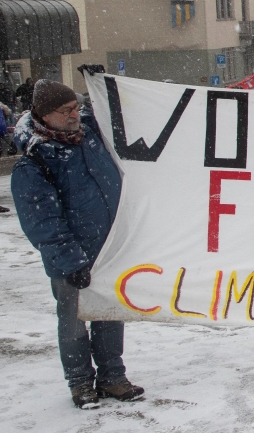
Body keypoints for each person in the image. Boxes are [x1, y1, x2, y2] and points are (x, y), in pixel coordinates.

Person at [10, 75, 144, 409]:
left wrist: (102, 83)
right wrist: (72, 261)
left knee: (110, 315)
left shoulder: (90, 134)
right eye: (66, 110)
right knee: (74, 322)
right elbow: (41, 221)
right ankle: (81, 382)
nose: (75, 114)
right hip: (71, 258)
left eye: (76, 107)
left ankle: (113, 377)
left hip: (109, 249)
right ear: (44, 114)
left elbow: (121, 112)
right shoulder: (35, 160)